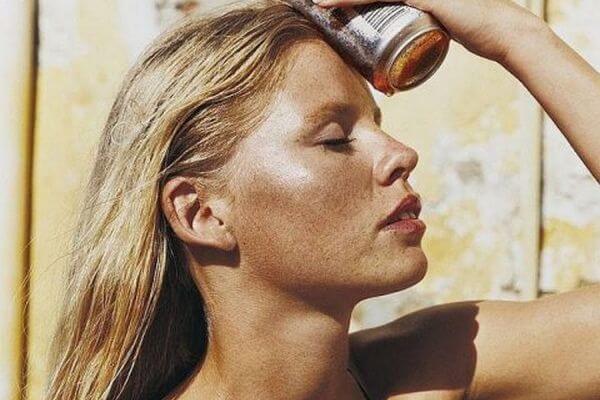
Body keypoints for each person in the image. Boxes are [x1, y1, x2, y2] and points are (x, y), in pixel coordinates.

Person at [44, 0, 600, 399]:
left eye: (377, 125)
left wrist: (515, 34)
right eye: (335, 139)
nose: (401, 154)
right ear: (201, 213)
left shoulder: (436, 367)